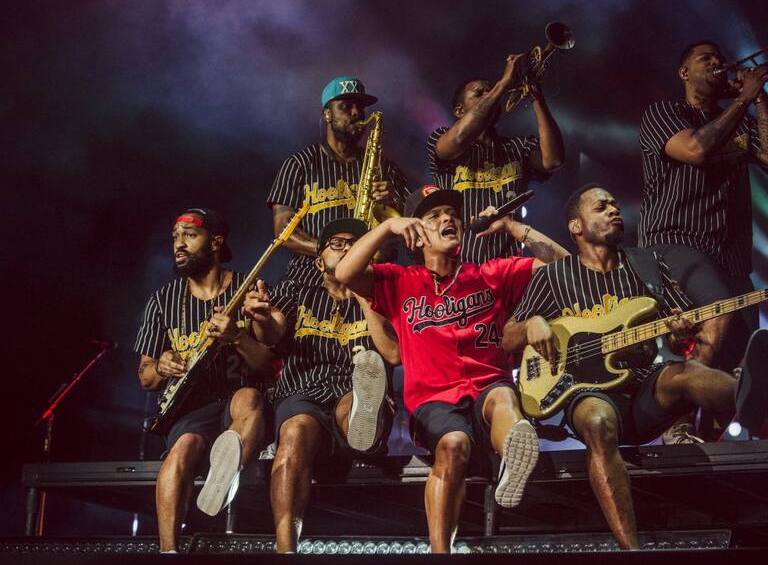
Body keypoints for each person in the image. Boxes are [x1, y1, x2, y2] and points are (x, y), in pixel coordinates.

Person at [503, 184, 768, 549]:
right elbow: (508, 338)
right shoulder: (554, 276)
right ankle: (632, 552)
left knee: (684, 374)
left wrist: (680, 332)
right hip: (586, 394)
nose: (614, 210)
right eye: (601, 207)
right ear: (576, 226)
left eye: (615, 204)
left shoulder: (646, 265)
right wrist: (533, 323)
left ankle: (748, 392)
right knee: (598, 422)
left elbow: (677, 336)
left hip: (643, 391)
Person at [334, 185, 569, 553]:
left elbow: (566, 267)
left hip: (488, 386)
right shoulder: (398, 280)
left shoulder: (490, 273)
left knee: (503, 397)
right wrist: (387, 227)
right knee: (453, 445)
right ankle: (440, 551)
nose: (448, 218)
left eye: (453, 214)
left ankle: (513, 458)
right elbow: (345, 272)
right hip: (433, 400)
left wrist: (512, 227)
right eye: (434, 215)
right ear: (416, 231)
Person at [243, 218, 400, 554]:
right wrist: (262, 317)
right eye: (337, 244)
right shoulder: (297, 292)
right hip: (304, 393)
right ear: (318, 262)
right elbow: (272, 333)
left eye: (354, 244)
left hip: (351, 386)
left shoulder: (384, 293)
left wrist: (363, 294)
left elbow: (393, 353)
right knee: (295, 431)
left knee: (352, 403)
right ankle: (287, 549)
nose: (346, 249)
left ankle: (362, 419)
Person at [135, 208, 273, 554]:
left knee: (248, 399)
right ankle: (168, 552)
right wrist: (161, 366)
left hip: (240, 400)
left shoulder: (248, 289)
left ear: (215, 242)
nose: (178, 244)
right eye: (174, 237)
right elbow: (146, 377)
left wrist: (237, 337)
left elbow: (268, 365)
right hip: (192, 409)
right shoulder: (163, 301)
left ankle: (223, 474)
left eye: (189, 235)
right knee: (182, 449)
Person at [638, 40, 768, 373]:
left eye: (719, 58)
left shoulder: (740, 121)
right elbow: (695, 150)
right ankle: (682, 402)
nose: (716, 63)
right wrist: (744, 98)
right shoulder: (664, 113)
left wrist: (760, 99)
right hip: (675, 241)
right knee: (719, 313)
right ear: (684, 73)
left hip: (731, 258)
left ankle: (716, 406)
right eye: (705, 58)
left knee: (750, 355)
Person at [266, 76, 409, 287]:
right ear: (327, 114)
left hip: (370, 277)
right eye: (346, 106)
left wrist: (393, 202)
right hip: (311, 281)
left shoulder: (384, 166)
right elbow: (283, 232)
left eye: (360, 107)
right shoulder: (298, 164)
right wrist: (332, 253)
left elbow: (412, 222)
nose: (356, 112)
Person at [427, 53, 564, 265]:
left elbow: (553, 160)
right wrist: (503, 84)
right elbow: (457, 140)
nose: (490, 95)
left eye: (490, 91)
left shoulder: (518, 147)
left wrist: (535, 94)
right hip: (460, 268)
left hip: (509, 268)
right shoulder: (442, 138)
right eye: (479, 93)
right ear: (459, 111)